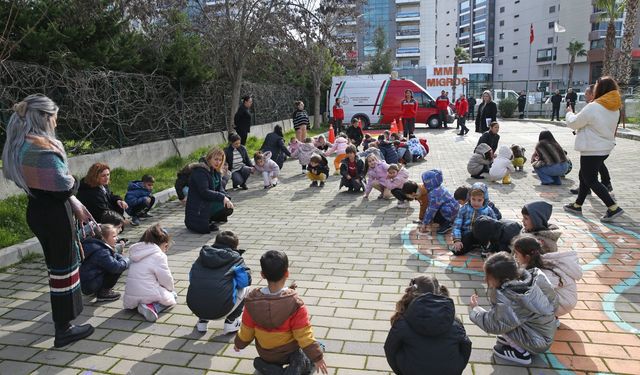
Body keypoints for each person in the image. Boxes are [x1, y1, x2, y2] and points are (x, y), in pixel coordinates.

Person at [2, 94, 95, 347]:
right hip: (55, 215)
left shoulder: (20, 143)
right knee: (64, 270)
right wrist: (75, 181)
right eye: (54, 116)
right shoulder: (41, 147)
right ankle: (64, 329)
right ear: (44, 117)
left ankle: (63, 321)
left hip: (38, 210)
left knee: (57, 269)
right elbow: (64, 185)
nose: (56, 121)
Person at [234, 250, 328, 375]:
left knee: (266, 359)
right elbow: (304, 335)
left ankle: (269, 367)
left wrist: (238, 344)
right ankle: (295, 368)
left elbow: (247, 331)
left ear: (262, 275)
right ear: (287, 273)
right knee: (318, 347)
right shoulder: (295, 304)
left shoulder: (252, 303)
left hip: (266, 353)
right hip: (289, 352)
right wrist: (318, 357)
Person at [469, 252, 557, 365]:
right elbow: (554, 303)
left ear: (499, 279)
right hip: (545, 332)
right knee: (506, 318)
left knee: (503, 323)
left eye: (488, 277)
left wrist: (476, 310)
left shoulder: (511, 297)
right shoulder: (532, 277)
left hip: (537, 342)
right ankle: (517, 341)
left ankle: (521, 353)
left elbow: (494, 325)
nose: (485, 279)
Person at [564, 76, 624, 222]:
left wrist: (569, 112)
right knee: (585, 177)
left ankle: (613, 207)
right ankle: (577, 205)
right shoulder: (614, 108)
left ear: (601, 88)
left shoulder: (594, 106)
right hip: (604, 148)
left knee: (590, 179)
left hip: (591, 148)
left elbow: (574, 123)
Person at [384, 276, 472, 375]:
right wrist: (457, 368)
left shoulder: (402, 322)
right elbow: (466, 346)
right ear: (440, 293)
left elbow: (390, 349)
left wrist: (401, 371)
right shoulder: (455, 323)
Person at [187, 231, 251, 334]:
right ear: (235, 246)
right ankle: (231, 322)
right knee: (246, 288)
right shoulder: (236, 259)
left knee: (203, 286)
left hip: (196, 307)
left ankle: (202, 321)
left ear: (216, 242)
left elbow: (191, 277)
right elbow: (244, 282)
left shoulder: (202, 256)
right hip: (222, 309)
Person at [513, 235, 582, 318]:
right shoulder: (536, 262)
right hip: (559, 298)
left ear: (527, 257)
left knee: (522, 299)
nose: (515, 257)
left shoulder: (543, 273)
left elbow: (531, 291)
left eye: (516, 254)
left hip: (564, 303)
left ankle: (548, 321)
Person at [123, 224, 177, 322]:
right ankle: (152, 307)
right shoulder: (159, 256)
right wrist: (170, 289)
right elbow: (165, 278)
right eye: (166, 247)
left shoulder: (136, 253)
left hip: (131, 294)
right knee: (173, 295)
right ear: (164, 244)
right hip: (148, 293)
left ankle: (140, 305)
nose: (166, 250)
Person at [570, 84, 613, 194]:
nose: (585, 96)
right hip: (599, 143)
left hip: (595, 144)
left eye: (586, 94)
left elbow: (576, 122)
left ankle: (612, 205)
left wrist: (569, 114)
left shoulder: (594, 107)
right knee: (592, 168)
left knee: (590, 176)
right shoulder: (604, 106)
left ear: (593, 94)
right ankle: (580, 200)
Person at [185, 148, 234, 234]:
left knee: (228, 207)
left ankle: (209, 218)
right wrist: (222, 197)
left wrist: (226, 198)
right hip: (199, 205)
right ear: (209, 158)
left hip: (207, 202)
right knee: (223, 203)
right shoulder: (200, 171)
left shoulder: (216, 171)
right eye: (215, 159)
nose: (218, 162)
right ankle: (203, 220)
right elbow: (204, 192)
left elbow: (220, 188)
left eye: (220, 160)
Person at [80, 224, 130, 302]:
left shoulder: (95, 245)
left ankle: (99, 290)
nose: (116, 238)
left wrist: (120, 258)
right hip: (90, 285)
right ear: (103, 238)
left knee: (114, 261)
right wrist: (127, 260)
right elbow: (116, 267)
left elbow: (115, 255)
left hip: (87, 282)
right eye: (114, 236)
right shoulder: (101, 252)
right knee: (117, 268)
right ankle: (104, 293)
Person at [451, 183, 497, 255]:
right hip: (467, 235)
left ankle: (486, 246)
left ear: (484, 199)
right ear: (469, 198)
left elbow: (495, 226)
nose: (476, 203)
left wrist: (493, 241)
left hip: (483, 237)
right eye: (473, 199)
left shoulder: (488, 210)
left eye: (479, 200)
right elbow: (457, 225)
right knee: (457, 251)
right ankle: (473, 245)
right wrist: (457, 240)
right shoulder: (464, 209)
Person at [420, 170, 460, 235]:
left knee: (434, 214)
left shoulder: (435, 193)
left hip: (450, 213)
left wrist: (425, 223)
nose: (424, 184)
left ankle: (448, 224)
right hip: (454, 210)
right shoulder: (438, 187)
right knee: (435, 214)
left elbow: (431, 210)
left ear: (430, 182)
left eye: (425, 182)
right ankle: (448, 221)